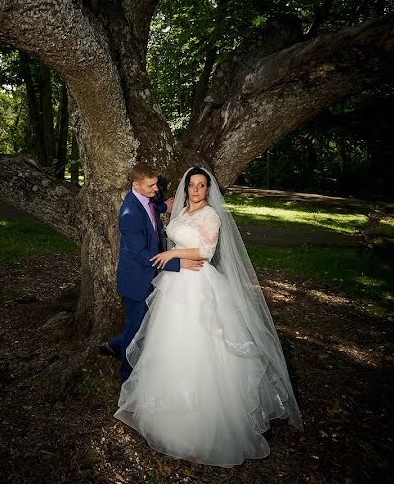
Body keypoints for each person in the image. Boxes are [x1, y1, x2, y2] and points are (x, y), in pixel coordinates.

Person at [114, 166, 303, 467]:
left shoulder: (211, 216)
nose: (197, 190)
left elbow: (205, 250)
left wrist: (173, 255)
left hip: (198, 282)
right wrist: (171, 240)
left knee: (202, 344)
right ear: (186, 188)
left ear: (208, 189)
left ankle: (202, 425)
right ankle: (163, 414)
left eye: (202, 186)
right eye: (192, 185)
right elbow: (161, 215)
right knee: (168, 343)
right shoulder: (181, 211)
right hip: (175, 285)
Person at [99, 162, 203, 382]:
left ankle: (112, 345)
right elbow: (140, 255)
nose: (156, 189)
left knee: (149, 322)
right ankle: (126, 376)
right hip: (137, 280)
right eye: (151, 186)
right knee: (136, 329)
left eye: (155, 184)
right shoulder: (129, 213)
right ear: (136, 185)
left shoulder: (143, 201)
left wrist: (162, 207)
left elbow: (149, 208)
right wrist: (178, 264)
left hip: (152, 275)